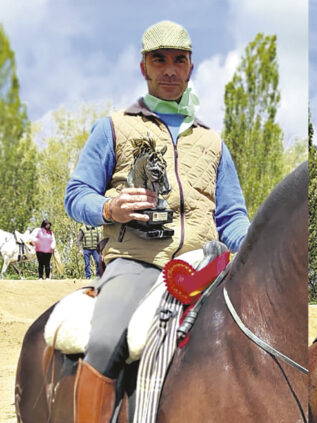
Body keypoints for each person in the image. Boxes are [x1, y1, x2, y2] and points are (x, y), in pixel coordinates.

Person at [64, 20, 250, 423]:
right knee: (104, 339)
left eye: (178, 60)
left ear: (190, 68)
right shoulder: (113, 126)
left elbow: (233, 218)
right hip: (135, 264)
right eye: (159, 60)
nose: (169, 69)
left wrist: (260, 242)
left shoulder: (213, 141)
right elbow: (76, 196)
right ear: (143, 67)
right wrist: (109, 208)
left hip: (209, 266)